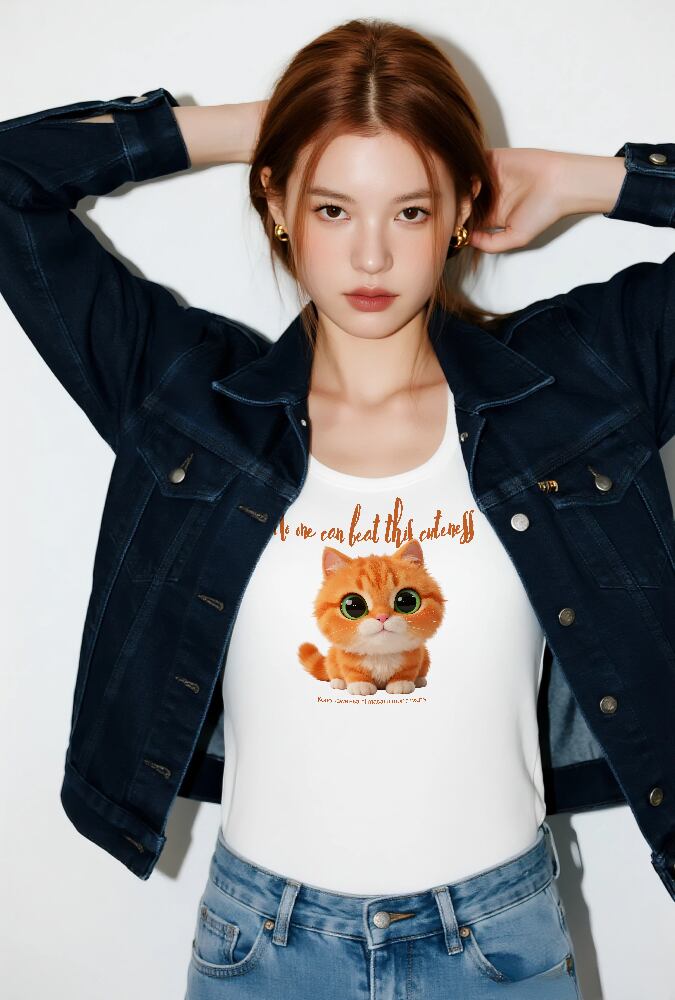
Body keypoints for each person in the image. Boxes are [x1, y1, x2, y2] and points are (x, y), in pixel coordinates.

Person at [1, 15, 673, 1000]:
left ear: (460, 209)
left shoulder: (575, 384)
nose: (370, 256)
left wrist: (595, 181)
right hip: (260, 950)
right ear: (278, 205)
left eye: (409, 209)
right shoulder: (189, 398)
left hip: (500, 948)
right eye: (331, 207)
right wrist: (264, 125)